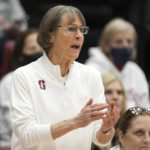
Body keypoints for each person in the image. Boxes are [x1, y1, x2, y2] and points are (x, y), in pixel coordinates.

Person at [10, 5, 119, 150]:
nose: (79, 35)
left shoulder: (91, 76)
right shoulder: (24, 76)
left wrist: (105, 129)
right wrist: (75, 122)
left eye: (82, 30)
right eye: (72, 29)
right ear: (50, 35)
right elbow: (26, 134)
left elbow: (100, 141)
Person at [85, 18, 150, 109]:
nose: (125, 46)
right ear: (106, 45)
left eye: (129, 41)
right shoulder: (91, 71)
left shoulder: (136, 71)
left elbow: (145, 109)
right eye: (119, 41)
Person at [0, 28, 43, 149]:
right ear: (20, 56)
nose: (38, 52)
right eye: (32, 49)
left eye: (42, 48)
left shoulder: (52, 79)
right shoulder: (10, 81)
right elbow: (16, 127)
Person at [92, 72, 126, 150]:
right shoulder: (89, 128)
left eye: (119, 92)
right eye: (108, 92)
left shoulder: (128, 127)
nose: (115, 97)